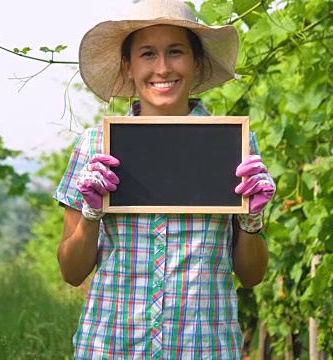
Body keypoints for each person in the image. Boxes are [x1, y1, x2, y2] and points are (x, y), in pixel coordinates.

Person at [53, 0, 276, 358]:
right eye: (147, 54)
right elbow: (71, 271)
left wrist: (251, 220)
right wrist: (92, 216)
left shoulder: (233, 145)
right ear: (128, 65)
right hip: (111, 345)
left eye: (175, 52)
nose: (162, 68)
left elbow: (251, 275)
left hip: (204, 348)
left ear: (196, 61)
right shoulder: (95, 146)